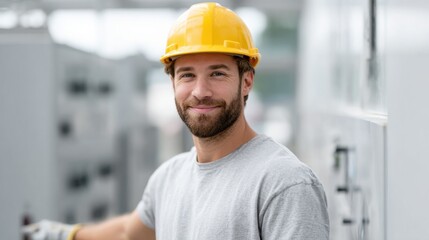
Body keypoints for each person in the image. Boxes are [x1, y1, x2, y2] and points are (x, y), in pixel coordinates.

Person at [24, 2, 329, 240]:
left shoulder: (284, 183)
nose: (200, 91)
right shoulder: (168, 178)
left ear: (247, 80)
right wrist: (61, 234)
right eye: (187, 75)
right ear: (172, 83)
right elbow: (127, 233)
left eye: (217, 73)